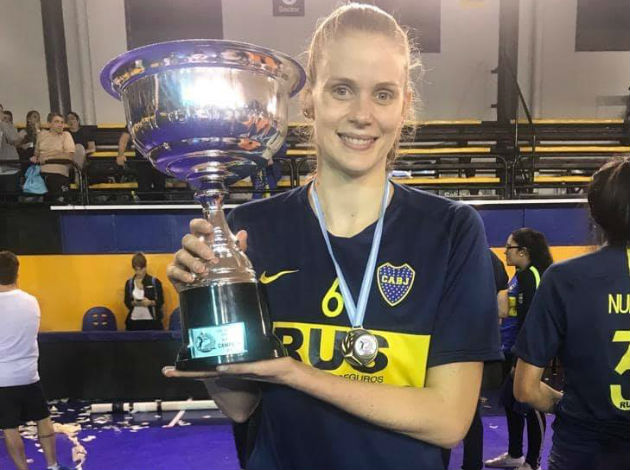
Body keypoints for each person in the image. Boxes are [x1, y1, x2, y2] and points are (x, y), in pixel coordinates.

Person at [164, 4, 502, 469]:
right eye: (342, 90)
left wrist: (296, 374)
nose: (363, 114)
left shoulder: (449, 230)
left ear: (404, 105)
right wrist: (200, 305)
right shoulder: (250, 229)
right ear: (309, 99)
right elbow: (241, 405)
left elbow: (447, 419)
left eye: (383, 94)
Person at [513, 157, 630, 470]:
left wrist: (567, 406)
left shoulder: (564, 277)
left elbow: (525, 388)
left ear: (594, 212)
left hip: (583, 449)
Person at [485, 228, 553, 470]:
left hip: (527, 355)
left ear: (523, 251)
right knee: (510, 401)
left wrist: (521, 360)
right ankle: (515, 454)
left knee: (531, 404)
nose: (505, 252)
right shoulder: (518, 276)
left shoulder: (532, 276)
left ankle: (533, 462)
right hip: (511, 350)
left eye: (509, 247)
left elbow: (533, 321)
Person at [0, 251, 70, 470]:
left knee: (10, 428)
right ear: (17, 273)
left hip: (3, 378)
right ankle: (52, 465)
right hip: (29, 374)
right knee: (43, 418)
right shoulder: (31, 302)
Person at [461, 249, 509, 470]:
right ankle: (472, 464)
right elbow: (502, 310)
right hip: (479, 345)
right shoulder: (491, 260)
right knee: (470, 410)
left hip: (446, 342)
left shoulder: (442, 250)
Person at [32, 113, 75, 202]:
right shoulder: (42, 135)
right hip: (40, 173)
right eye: (57, 122)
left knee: (60, 201)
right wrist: (35, 157)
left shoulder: (66, 135)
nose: (60, 125)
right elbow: (36, 154)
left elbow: (69, 156)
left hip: (58, 174)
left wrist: (48, 157)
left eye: (62, 122)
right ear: (49, 124)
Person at [117, 131, 166, 201]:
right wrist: (120, 154)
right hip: (143, 161)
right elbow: (125, 136)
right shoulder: (136, 123)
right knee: (144, 190)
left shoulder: (162, 123)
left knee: (160, 189)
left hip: (159, 160)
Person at [124, 252, 164, 331]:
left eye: (141, 269)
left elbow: (161, 301)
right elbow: (127, 302)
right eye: (136, 270)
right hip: (133, 322)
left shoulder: (154, 282)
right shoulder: (129, 283)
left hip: (152, 322)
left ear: (145, 267)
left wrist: (150, 302)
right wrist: (134, 303)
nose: (139, 272)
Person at [0, 105, 23, 197]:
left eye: (1, 111)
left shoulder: (8, 126)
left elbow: (13, 139)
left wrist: (2, 123)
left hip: (9, 168)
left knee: (11, 198)